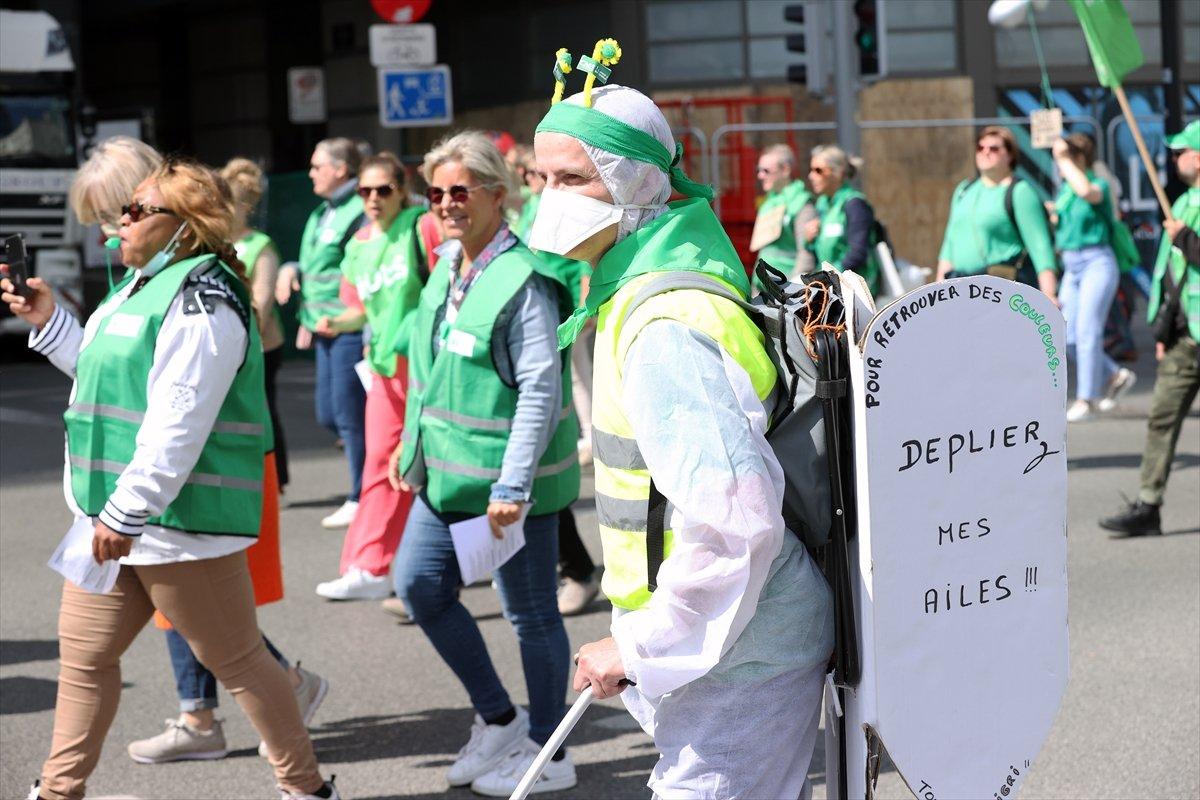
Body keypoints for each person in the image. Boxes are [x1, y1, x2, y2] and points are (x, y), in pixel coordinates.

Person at [531, 80, 834, 798]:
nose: (549, 198)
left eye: (572, 177)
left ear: (636, 180)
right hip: (732, 635)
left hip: (745, 641)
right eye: (541, 178)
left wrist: (642, 643)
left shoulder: (664, 323)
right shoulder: (648, 285)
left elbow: (735, 522)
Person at [3, 158, 337, 800]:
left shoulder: (202, 297)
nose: (116, 224)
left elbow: (178, 422)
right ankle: (57, 793)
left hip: (178, 526)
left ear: (183, 228)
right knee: (83, 661)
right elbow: (109, 380)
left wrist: (125, 512)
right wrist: (50, 324)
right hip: (114, 521)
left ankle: (308, 790)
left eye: (134, 211)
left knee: (241, 663)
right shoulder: (140, 286)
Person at [387, 130, 580, 796]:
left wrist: (514, 484)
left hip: (504, 487)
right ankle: (500, 718)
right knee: (418, 585)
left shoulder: (523, 279)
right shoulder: (448, 266)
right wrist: (410, 451)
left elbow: (539, 387)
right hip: (447, 478)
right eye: (437, 193)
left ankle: (551, 751)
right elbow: (436, 373)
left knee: (530, 615)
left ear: (498, 196)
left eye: (460, 191)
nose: (445, 203)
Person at [314, 152, 426, 600]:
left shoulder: (421, 226)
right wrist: (333, 324)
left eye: (384, 189)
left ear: (401, 189)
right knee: (380, 465)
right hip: (384, 368)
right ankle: (369, 568)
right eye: (366, 191)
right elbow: (357, 308)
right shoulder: (358, 244)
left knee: (444, 465)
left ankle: (495, 559)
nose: (374, 198)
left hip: (425, 365)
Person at [511, 146, 602, 617]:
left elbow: (586, 260)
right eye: (534, 174)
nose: (541, 183)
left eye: (559, 175)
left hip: (560, 320)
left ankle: (579, 569)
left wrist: (585, 308)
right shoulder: (530, 210)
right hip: (531, 326)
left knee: (542, 450)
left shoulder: (569, 208)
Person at [1099, 120, 1200, 538]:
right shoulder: (1182, 204)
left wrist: (1187, 240)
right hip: (1183, 337)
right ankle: (1148, 505)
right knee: (1161, 418)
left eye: (1181, 151)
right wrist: (1162, 333)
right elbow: (1167, 275)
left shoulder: (1183, 218)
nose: (1174, 158)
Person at [277, 137, 367, 530]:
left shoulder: (359, 209)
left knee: (348, 415)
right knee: (329, 414)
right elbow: (318, 264)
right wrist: (292, 269)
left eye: (317, 166)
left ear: (341, 170)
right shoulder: (321, 212)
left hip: (350, 326)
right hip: (321, 327)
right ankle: (368, 480)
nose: (311, 172)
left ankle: (361, 494)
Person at [1049, 134, 1136, 423]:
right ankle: (1112, 373)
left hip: (1097, 261)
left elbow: (1088, 191)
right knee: (1067, 335)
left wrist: (1063, 158)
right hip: (1071, 266)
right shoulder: (1065, 190)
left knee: (1088, 331)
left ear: (1078, 158)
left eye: (1065, 159)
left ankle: (1087, 399)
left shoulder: (1097, 183)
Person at [223, 158, 291, 487]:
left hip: (259, 343)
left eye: (229, 204)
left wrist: (245, 341)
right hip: (229, 342)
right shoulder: (217, 243)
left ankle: (274, 478)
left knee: (263, 410)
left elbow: (262, 299)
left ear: (245, 207)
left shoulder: (260, 246)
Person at [937, 126, 1060, 303]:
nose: (985, 152)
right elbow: (950, 242)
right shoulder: (964, 190)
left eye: (994, 148)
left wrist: (1049, 294)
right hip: (959, 290)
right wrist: (938, 289)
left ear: (1010, 155)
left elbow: (1039, 245)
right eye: (980, 148)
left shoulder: (1020, 191)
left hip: (1001, 292)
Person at [804, 144, 881, 294]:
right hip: (831, 286)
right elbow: (820, 252)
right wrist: (810, 242)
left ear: (838, 173)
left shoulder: (854, 204)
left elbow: (857, 254)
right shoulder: (823, 204)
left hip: (857, 289)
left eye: (818, 170)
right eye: (811, 170)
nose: (811, 176)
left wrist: (825, 279)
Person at [751, 143, 817, 280]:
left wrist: (793, 290)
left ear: (786, 170)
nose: (760, 175)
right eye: (759, 170)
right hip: (763, 289)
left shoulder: (802, 203)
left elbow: (806, 253)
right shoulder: (768, 203)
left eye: (766, 171)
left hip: (786, 292)